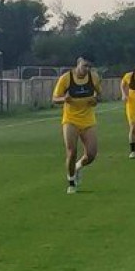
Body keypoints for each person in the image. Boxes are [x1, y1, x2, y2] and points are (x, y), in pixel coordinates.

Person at [52, 54, 101, 193]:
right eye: (85, 65)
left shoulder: (94, 78)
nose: (87, 69)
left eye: (89, 66)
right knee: (72, 151)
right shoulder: (66, 78)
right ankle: (71, 182)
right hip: (70, 119)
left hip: (88, 119)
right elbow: (55, 98)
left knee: (91, 154)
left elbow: (99, 95)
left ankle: (78, 166)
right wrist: (64, 99)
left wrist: (95, 100)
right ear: (78, 63)